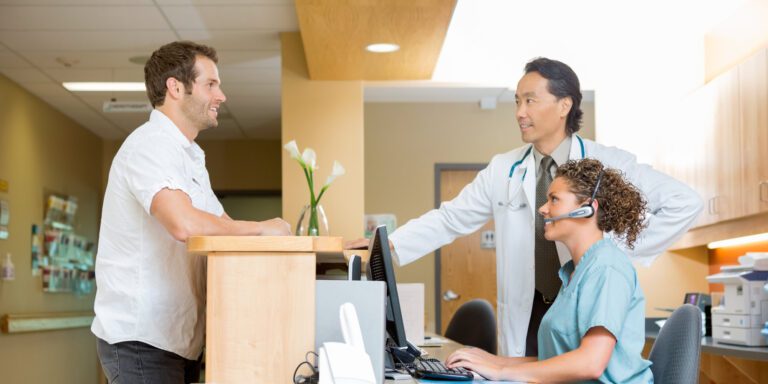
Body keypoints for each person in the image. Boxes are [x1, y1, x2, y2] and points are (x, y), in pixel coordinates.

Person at [346, 57, 702, 357]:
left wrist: (614, 252)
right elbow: (451, 218)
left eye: (530, 101)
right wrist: (387, 244)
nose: (519, 112)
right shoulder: (504, 168)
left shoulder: (606, 163)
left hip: (587, 305)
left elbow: (685, 202)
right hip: (529, 311)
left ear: (565, 105)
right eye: (517, 101)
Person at [91, 41, 291, 384]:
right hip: (143, 341)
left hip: (179, 340)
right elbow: (183, 223)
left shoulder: (189, 156)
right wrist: (260, 228)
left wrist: (274, 235)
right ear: (176, 87)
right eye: (211, 84)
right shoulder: (150, 144)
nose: (221, 96)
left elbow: (221, 225)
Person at [446, 158, 654, 382]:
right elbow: (555, 360)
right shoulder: (574, 272)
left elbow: (590, 363)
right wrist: (493, 361)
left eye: (554, 199)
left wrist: (501, 372)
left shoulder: (606, 268)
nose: (543, 209)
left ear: (586, 209)